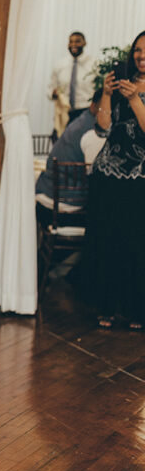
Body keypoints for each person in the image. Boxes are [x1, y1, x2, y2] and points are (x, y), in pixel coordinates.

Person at [81, 30, 145, 330]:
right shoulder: (123, 85)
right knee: (109, 241)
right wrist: (107, 93)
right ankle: (107, 305)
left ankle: (136, 310)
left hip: (139, 178)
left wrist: (135, 98)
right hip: (108, 174)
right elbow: (103, 128)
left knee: (137, 244)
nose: (141, 56)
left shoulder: (133, 92)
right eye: (138, 50)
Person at [35, 89, 107, 224]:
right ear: (94, 105)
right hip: (63, 205)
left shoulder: (81, 120)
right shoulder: (93, 133)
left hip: (44, 193)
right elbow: (95, 178)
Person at [47, 31, 97, 137]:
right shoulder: (60, 65)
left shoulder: (94, 64)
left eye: (77, 41)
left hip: (86, 111)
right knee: (62, 146)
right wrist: (53, 93)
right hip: (65, 113)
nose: (73, 45)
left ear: (84, 43)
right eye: (71, 42)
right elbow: (50, 88)